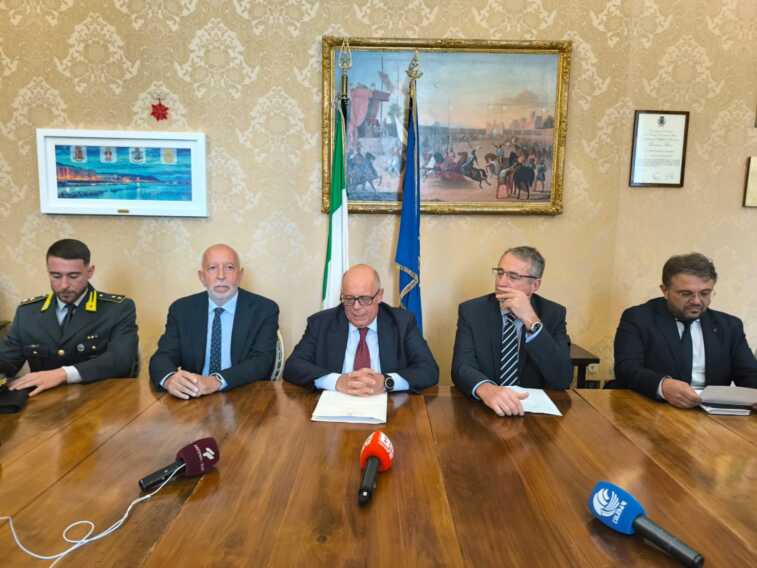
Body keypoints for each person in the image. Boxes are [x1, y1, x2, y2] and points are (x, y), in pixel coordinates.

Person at [614, 252, 757, 408]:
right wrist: (662, 385)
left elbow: (749, 373)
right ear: (665, 290)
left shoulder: (729, 326)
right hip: (653, 406)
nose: (696, 301)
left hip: (711, 412)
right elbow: (626, 369)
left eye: (704, 293)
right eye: (686, 294)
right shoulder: (639, 318)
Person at [2, 239, 138, 397]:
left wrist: (63, 374)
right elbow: (7, 360)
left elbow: (121, 360)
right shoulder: (28, 313)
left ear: (90, 272)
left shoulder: (117, 309)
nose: (64, 285)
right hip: (45, 403)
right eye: (56, 276)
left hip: (101, 400)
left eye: (73, 276)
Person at [452, 246, 572, 417]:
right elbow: (461, 366)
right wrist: (487, 389)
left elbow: (562, 379)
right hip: (484, 409)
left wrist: (531, 320)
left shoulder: (553, 314)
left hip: (534, 415)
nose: (501, 282)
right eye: (500, 273)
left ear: (535, 285)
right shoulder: (472, 311)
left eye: (513, 276)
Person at [149, 244, 279, 399]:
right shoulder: (181, 309)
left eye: (229, 267)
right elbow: (163, 356)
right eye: (212, 268)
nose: (221, 276)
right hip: (193, 397)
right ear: (202, 277)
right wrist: (170, 379)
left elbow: (262, 362)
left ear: (240, 275)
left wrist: (216, 381)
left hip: (245, 396)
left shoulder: (264, 309)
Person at [283, 264, 438, 394]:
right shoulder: (320, 323)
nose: (356, 307)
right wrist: (337, 381)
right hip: (335, 408)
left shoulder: (402, 323)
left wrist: (386, 382)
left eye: (364, 299)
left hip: (391, 410)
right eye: (349, 298)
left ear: (379, 296)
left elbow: (429, 370)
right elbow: (293, 366)